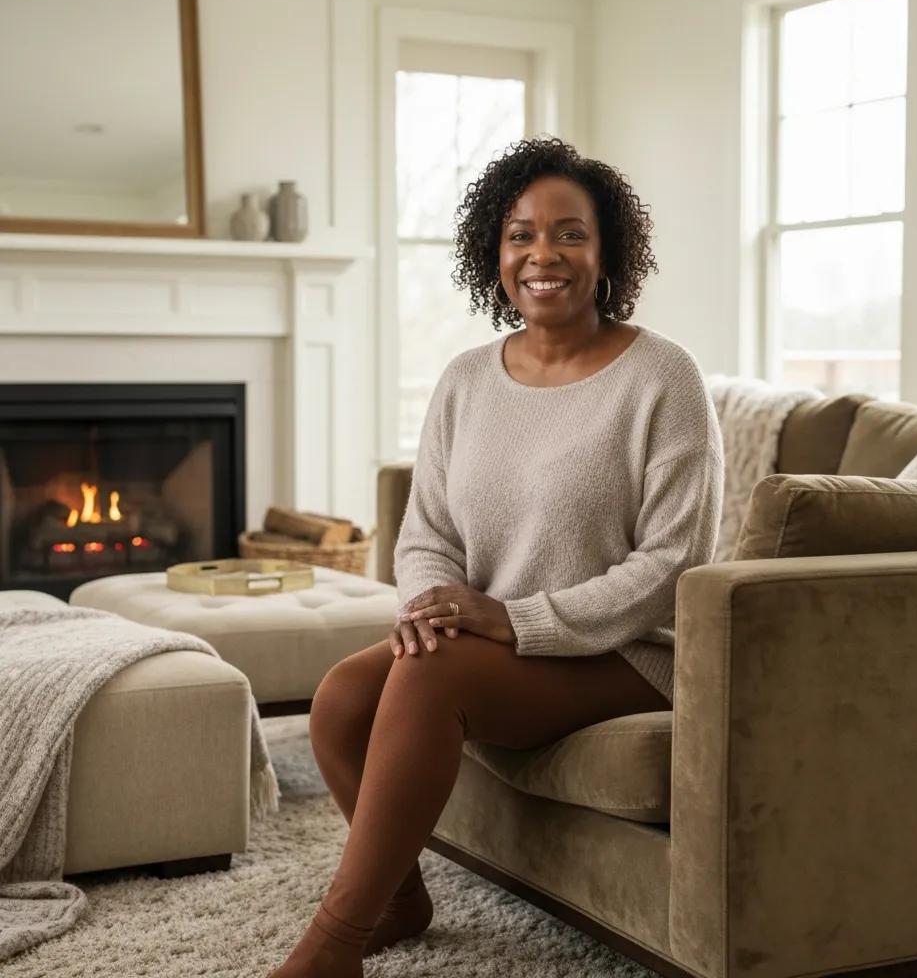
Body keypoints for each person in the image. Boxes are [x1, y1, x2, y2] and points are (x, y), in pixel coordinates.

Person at [267, 136, 725, 978]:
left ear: (608, 250)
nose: (542, 254)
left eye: (569, 234)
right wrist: (431, 606)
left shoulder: (664, 378)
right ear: (495, 251)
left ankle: (331, 949)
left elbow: (673, 563)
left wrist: (512, 619)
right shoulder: (467, 379)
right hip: (487, 642)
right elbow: (425, 529)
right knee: (338, 700)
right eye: (520, 234)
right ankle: (400, 898)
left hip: (627, 652)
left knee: (429, 677)